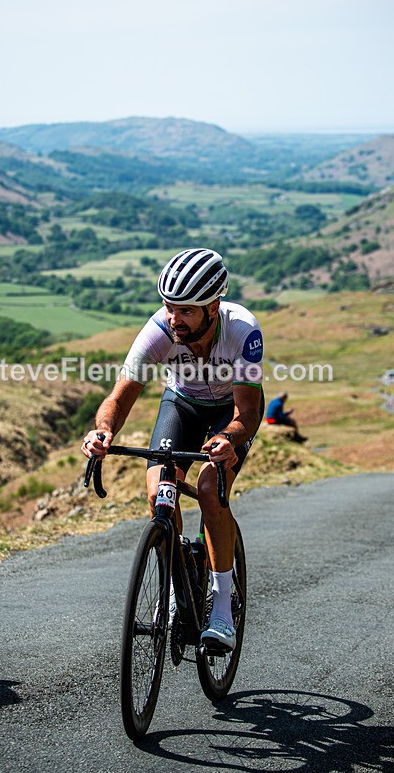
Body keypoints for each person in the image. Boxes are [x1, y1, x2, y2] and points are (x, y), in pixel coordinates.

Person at [81, 248, 264, 652]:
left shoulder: (242, 330)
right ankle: (173, 581)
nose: (173, 319)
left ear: (213, 307)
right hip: (181, 404)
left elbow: (249, 411)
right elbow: (119, 397)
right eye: (168, 307)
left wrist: (229, 439)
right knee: (156, 492)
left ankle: (219, 611)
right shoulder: (158, 332)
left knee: (208, 490)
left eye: (185, 311)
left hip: (229, 415)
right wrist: (103, 432)